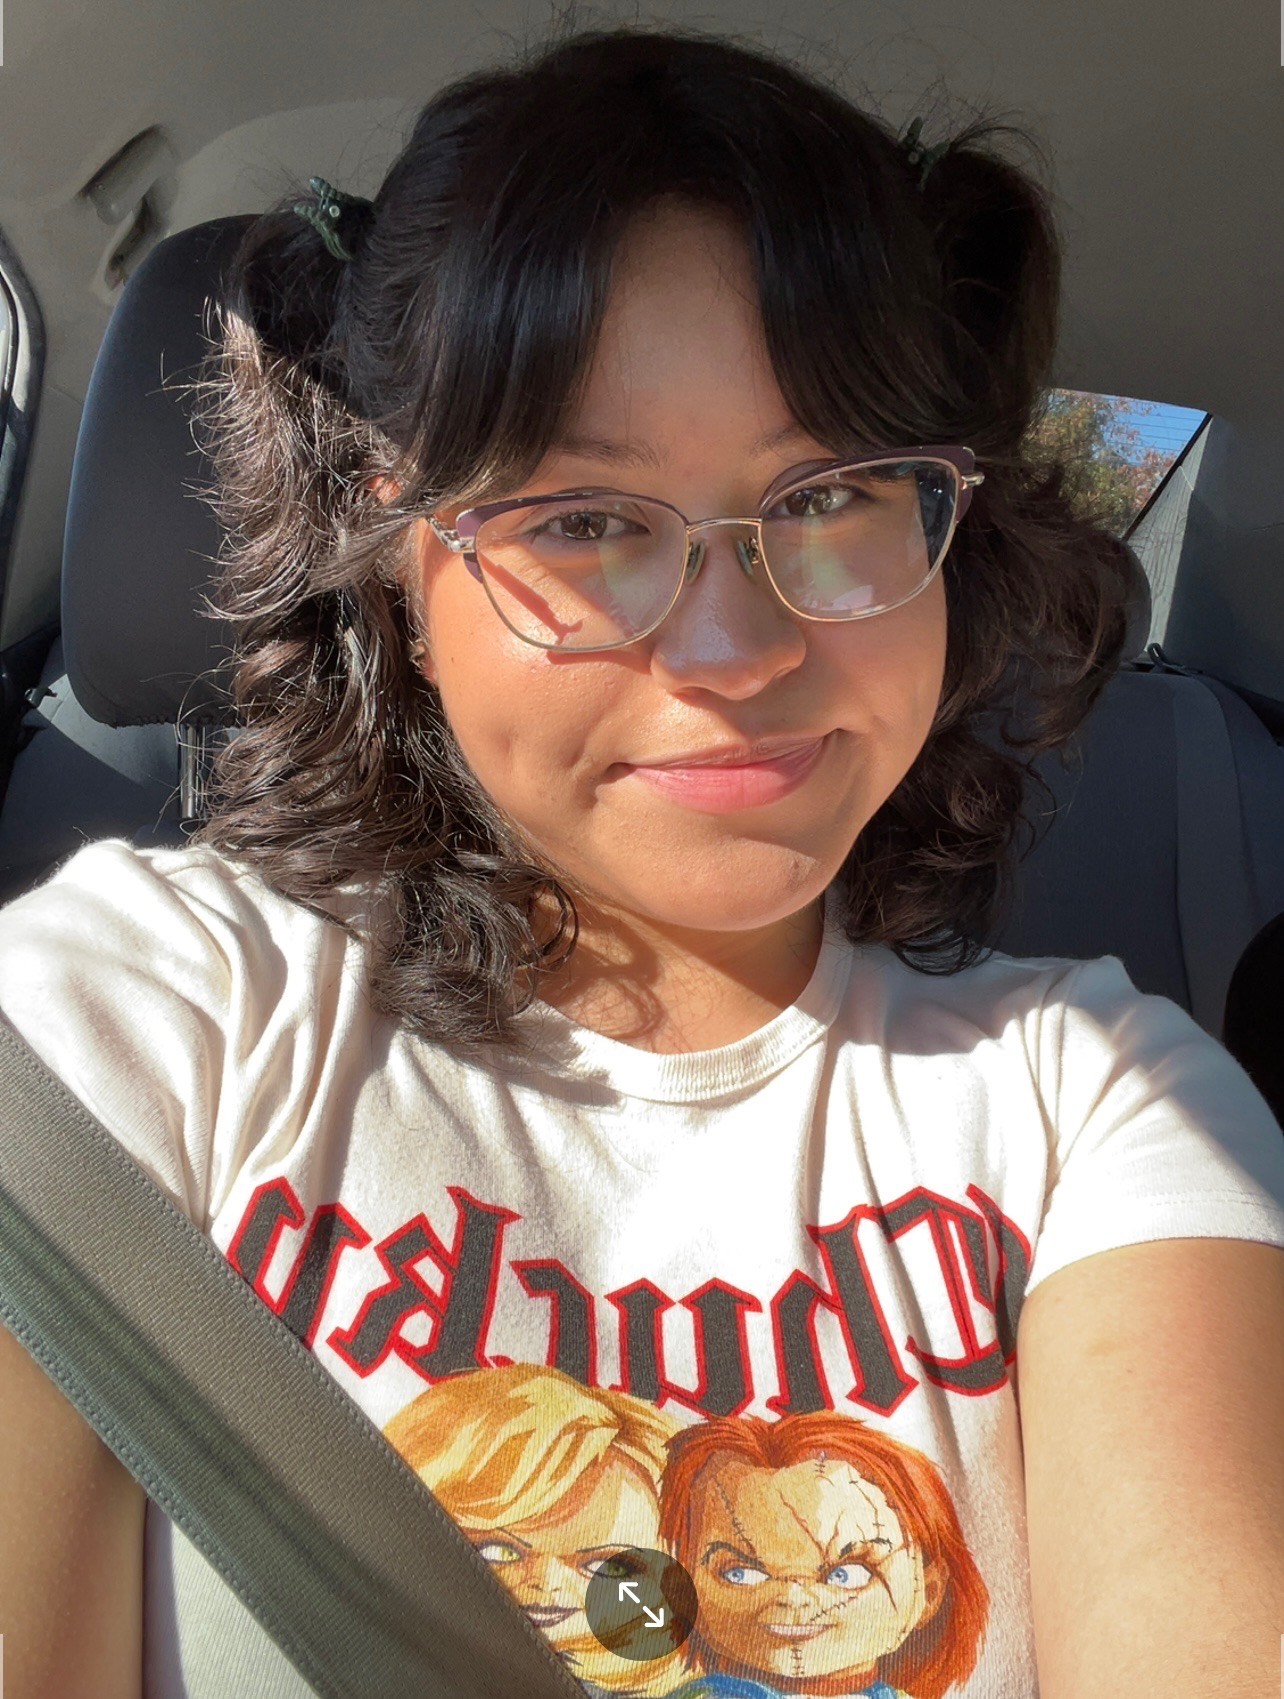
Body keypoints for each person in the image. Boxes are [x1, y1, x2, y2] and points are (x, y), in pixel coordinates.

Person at [2, 21, 1283, 1699]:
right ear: (402, 576)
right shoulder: (140, 1010)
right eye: (584, 521)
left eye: (831, 496)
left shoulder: (1101, 1101)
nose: (736, 648)